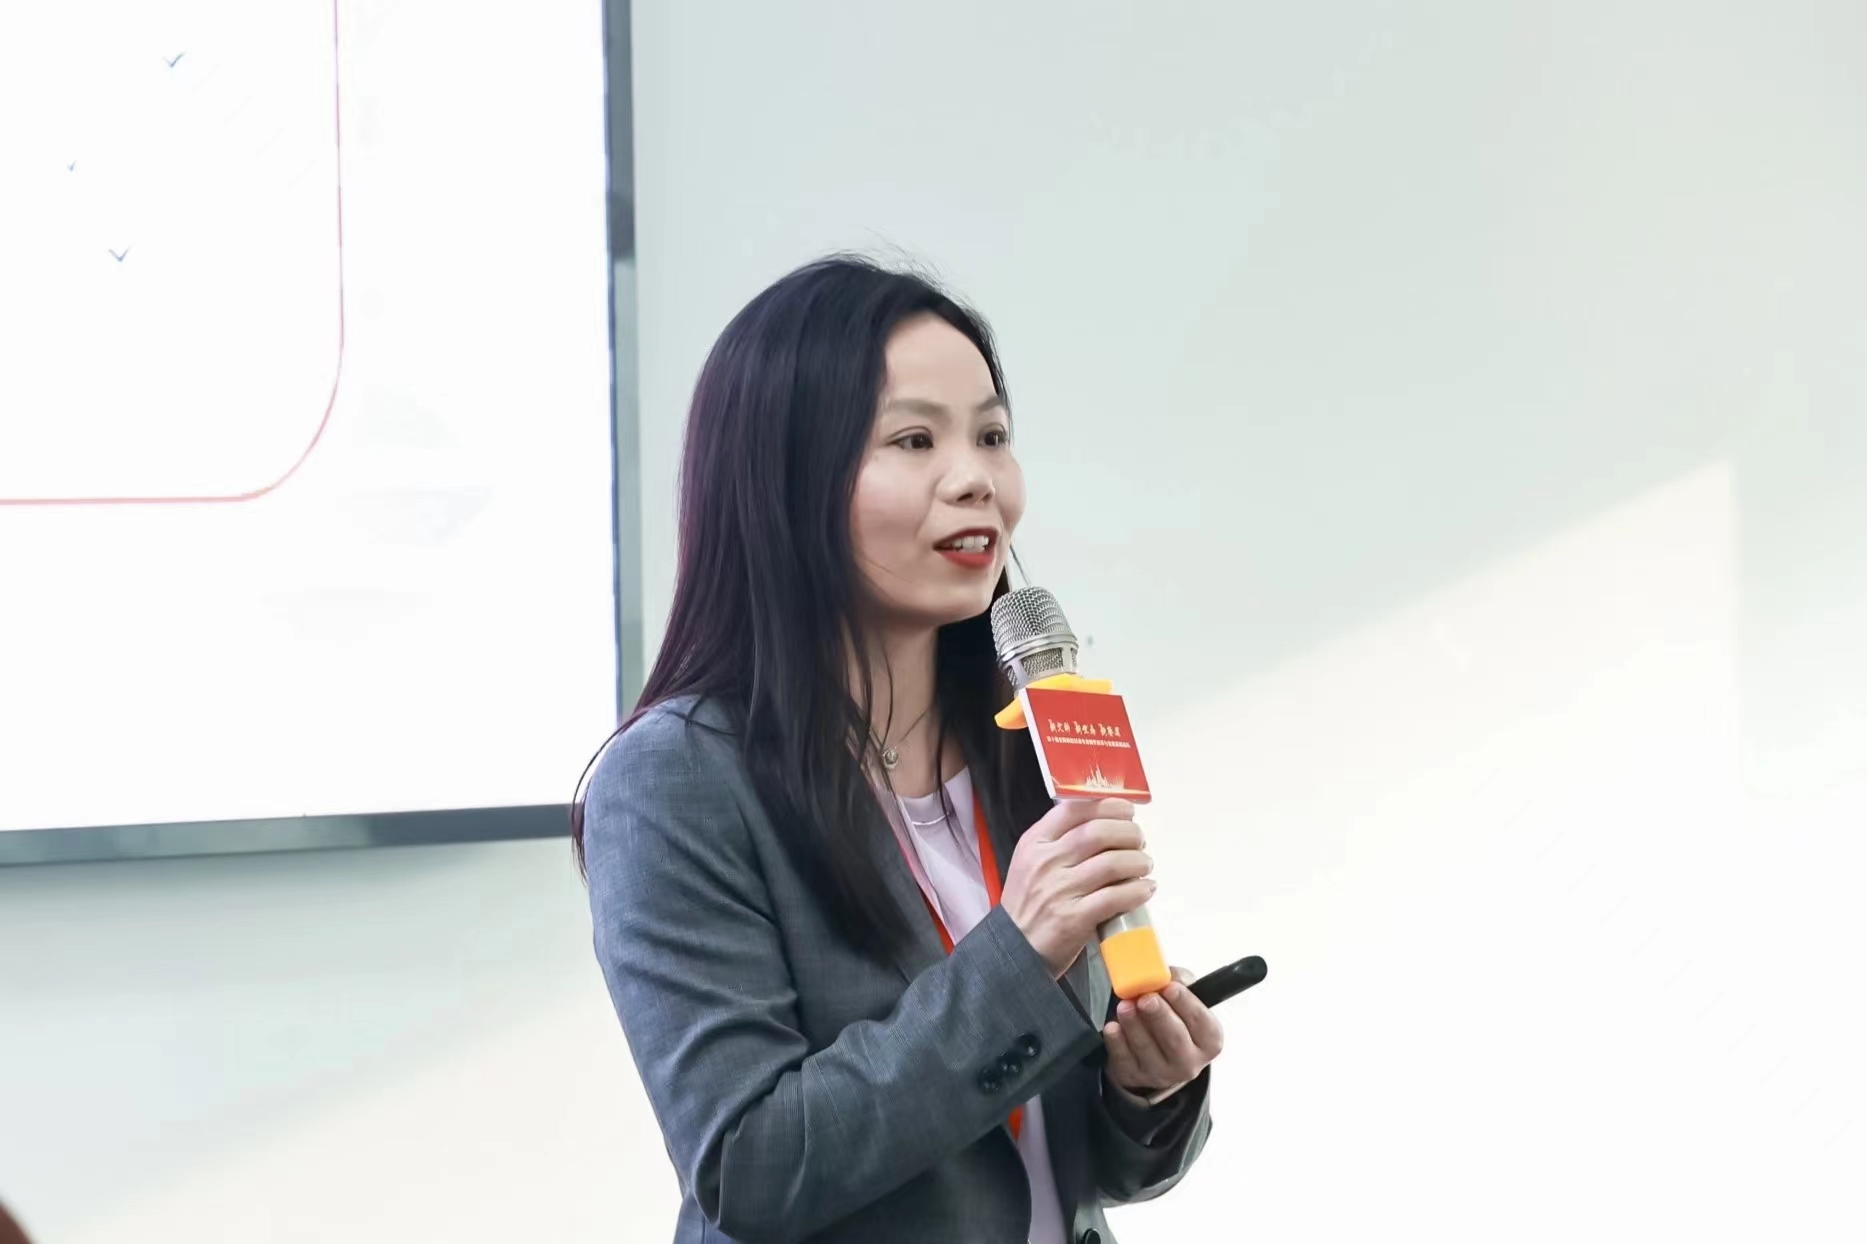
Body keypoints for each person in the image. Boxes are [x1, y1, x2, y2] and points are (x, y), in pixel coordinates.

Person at [576, 256, 1223, 1244]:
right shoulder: (675, 779)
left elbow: (1035, 1158)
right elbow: (751, 1166)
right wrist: (1018, 955)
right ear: (786, 481)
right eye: (915, 440)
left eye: (991, 436)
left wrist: (1145, 1094)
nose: (975, 479)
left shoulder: (1027, 736)